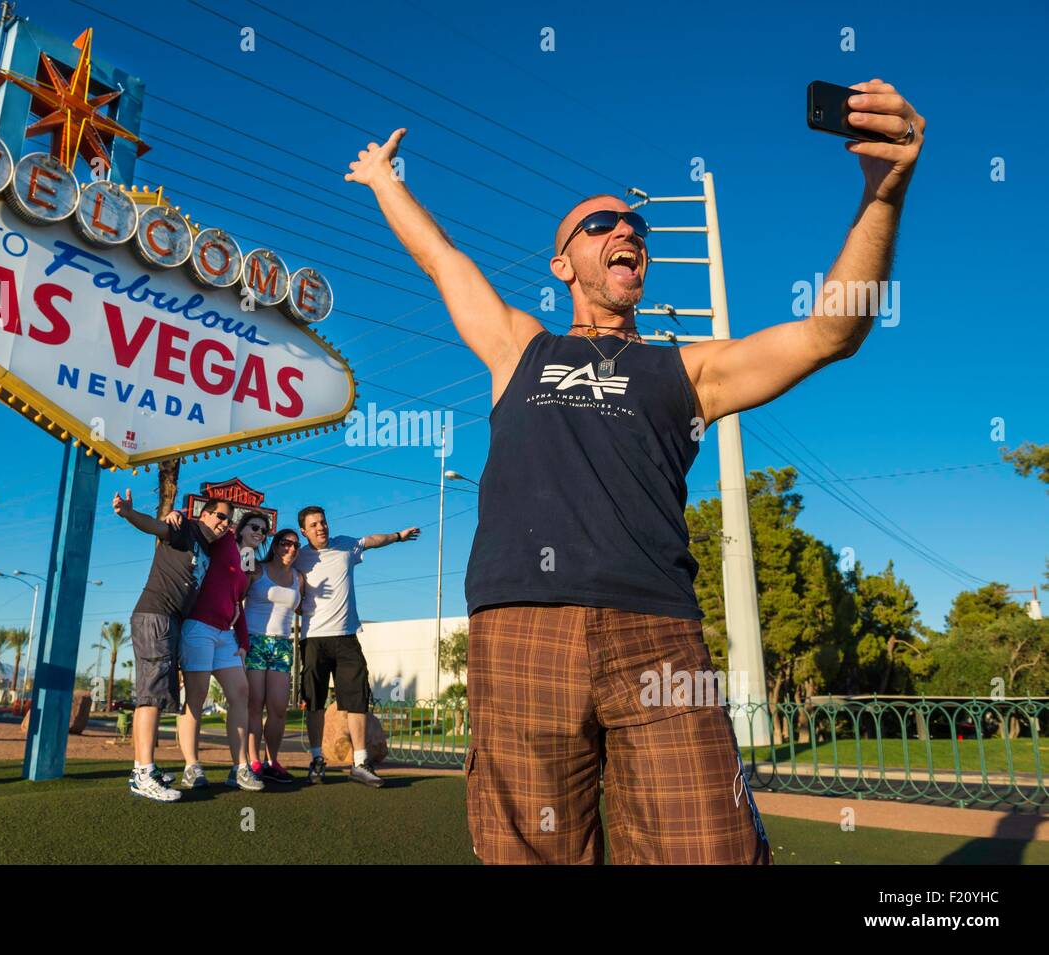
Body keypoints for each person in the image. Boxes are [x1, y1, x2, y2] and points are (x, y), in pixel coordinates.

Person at [345, 81, 924, 863]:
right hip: (522, 625)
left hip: (657, 633)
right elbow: (443, 260)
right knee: (527, 852)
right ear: (562, 263)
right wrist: (385, 181)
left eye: (636, 225)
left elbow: (832, 332)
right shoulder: (520, 348)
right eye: (601, 223)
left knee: (708, 847)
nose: (628, 231)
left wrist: (882, 193)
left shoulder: (689, 369)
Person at [295, 506, 419, 787]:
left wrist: (398, 536)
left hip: (347, 637)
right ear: (304, 531)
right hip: (313, 639)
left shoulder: (345, 546)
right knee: (314, 701)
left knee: (357, 701)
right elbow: (281, 578)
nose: (321, 528)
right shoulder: (298, 557)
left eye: (323, 522)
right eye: (314, 525)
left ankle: (361, 762)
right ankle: (316, 760)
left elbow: (372, 540)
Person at [113, 487, 212, 803]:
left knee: (158, 693)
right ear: (203, 514)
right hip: (154, 614)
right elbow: (157, 527)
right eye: (219, 515)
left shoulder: (206, 547)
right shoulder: (186, 530)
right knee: (151, 695)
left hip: (169, 619)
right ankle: (143, 773)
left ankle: (144, 769)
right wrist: (129, 514)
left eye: (229, 518)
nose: (225, 522)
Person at [167, 501, 263, 792]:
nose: (260, 532)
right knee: (196, 696)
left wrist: (243, 641)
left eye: (264, 530)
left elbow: (238, 602)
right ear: (240, 528)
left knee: (240, 693)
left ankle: (240, 768)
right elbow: (196, 529)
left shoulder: (245, 560)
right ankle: (191, 767)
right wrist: (177, 516)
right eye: (254, 527)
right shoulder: (220, 541)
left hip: (226, 633)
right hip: (199, 627)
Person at [243, 527, 304, 784]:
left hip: (282, 645)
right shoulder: (257, 569)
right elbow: (235, 594)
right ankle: (252, 760)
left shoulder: (299, 578)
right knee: (255, 705)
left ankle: (272, 760)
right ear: (275, 545)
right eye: (285, 543)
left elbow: (303, 608)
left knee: (279, 707)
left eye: (295, 545)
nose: (290, 548)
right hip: (255, 640)